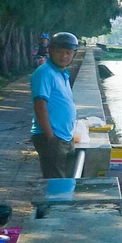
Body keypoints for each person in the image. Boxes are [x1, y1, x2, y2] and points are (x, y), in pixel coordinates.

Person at [31, 32, 80, 179]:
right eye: (59, 52)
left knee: (64, 181)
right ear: (50, 51)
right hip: (52, 137)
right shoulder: (45, 72)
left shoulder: (63, 73)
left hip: (65, 136)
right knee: (55, 183)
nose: (64, 56)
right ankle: (52, 203)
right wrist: (51, 138)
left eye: (68, 52)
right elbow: (40, 106)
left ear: (74, 54)